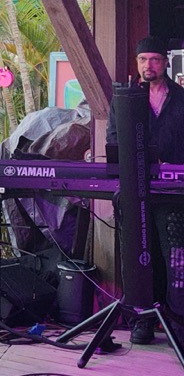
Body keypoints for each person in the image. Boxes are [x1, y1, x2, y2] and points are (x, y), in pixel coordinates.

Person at [106, 35, 184, 345]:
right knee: (139, 258)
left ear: (165, 62)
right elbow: (114, 139)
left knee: (175, 258)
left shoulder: (181, 98)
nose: (147, 65)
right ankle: (142, 321)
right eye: (142, 59)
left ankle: (178, 325)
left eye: (153, 59)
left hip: (173, 193)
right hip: (135, 192)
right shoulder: (125, 98)